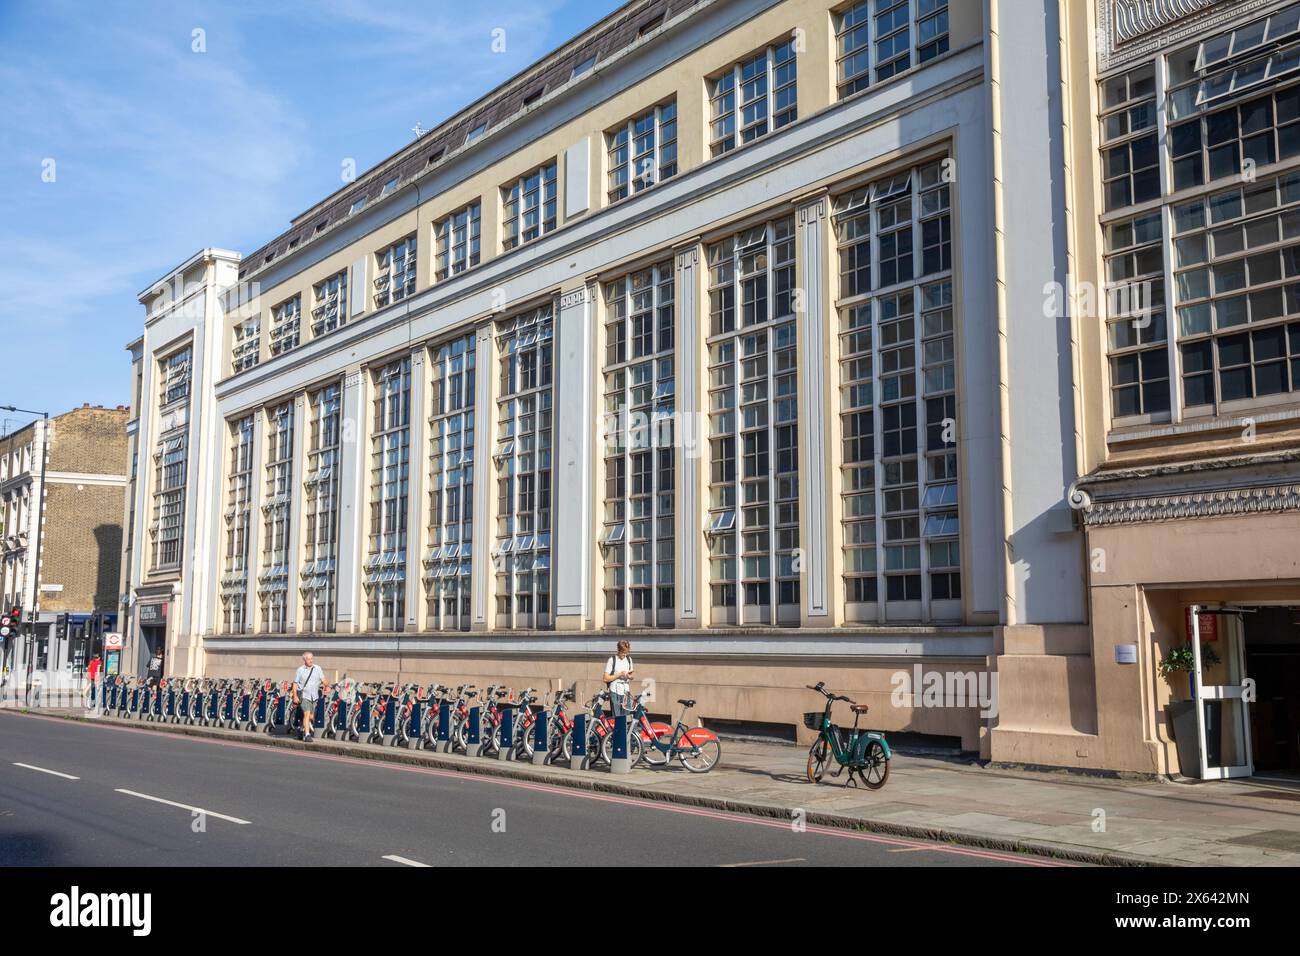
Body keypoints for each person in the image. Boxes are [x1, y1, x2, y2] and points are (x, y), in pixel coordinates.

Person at [293, 652, 324, 742]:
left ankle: (301, 728)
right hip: (304, 695)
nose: (311, 660)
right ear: (304, 660)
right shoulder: (300, 670)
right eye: (308, 659)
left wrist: (327, 685)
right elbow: (295, 683)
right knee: (306, 714)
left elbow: (323, 679)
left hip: (314, 696)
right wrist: (295, 696)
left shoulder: (318, 668)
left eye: (311, 658)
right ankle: (307, 735)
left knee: (311, 716)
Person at [602, 640, 635, 718]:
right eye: (623, 652)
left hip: (626, 691)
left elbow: (632, 674)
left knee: (627, 717)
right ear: (618, 650)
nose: (624, 654)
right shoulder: (612, 660)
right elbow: (605, 678)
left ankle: (625, 730)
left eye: (626, 652)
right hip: (615, 691)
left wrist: (629, 676)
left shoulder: (629, 659)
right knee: (617, 717)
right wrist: (619, 674)